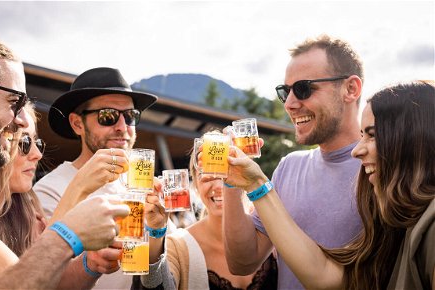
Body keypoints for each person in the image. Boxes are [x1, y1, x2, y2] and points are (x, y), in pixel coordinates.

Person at [223, 81, 435, 289]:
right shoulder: (400, 216)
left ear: (413, 140)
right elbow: (325, 276)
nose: (356, 151)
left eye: (372, 135)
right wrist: (254, 183)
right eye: (285, 92)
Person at [0, 33, 129, 289]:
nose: (19, 121)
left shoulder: (21, 206)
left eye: (131, 116)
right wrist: (67, 234)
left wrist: (90, 263)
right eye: (13, 100)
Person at [223, 34, 364, 289]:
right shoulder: (290, 167)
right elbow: (243, 262)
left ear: (351, 89)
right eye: (284, 91)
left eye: (303, 89)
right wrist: (231, 183)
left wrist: (256, 184)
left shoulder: (382, 169)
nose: (289, 103)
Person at [0, 105, 121, 288]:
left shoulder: (27, 208)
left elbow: (54, 282)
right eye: (24, 144)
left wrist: (91, 263)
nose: (37, 154)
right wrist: (78, 187)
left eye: (37, 143)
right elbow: (26, 282)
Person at [33, 67, 161, 288]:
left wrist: (158, 230)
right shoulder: (49, 189)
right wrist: (91, 263)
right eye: (108, 116)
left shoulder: (142, 183)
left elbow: (151, 274)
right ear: (77, 124)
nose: (122, 127)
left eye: (130, 116)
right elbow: (43, 278)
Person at [136, 134, 278, 289]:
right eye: (208, 176)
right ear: (195, 184)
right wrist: (155, 231)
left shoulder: (272, 230)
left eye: (227, 171)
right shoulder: (178, 246)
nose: (220, 185)